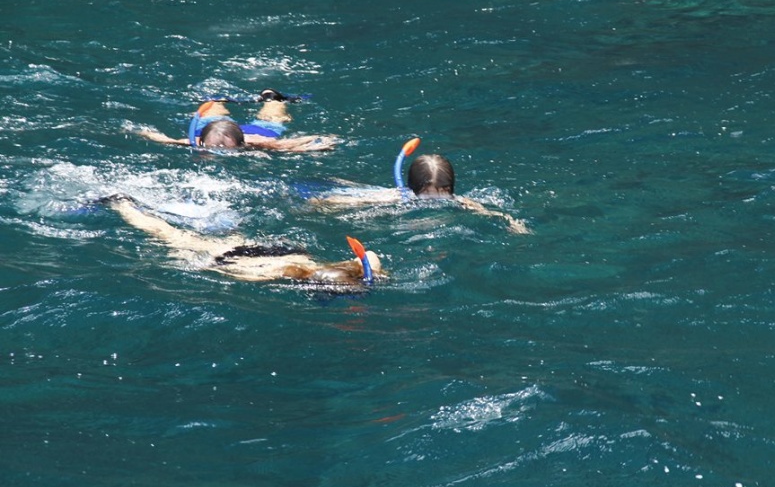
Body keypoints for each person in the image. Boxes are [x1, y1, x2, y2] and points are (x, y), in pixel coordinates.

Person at [103, 195, 382, 285]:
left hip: (275, 251)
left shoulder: (344, 268)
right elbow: (239, 271)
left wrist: (369, 274)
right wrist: (203, 267)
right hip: (241, 258)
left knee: (201, 236)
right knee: (169, 235)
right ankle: (120, 203)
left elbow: (369, 256)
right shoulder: (289, 275)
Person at [308, 140, 530, 234]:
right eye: (428, 196)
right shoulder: (398, 197)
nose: (435, 201)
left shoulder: (456, 201)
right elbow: (346, 201)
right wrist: (321, 205)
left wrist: (511, 222)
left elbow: (485, 210)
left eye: (442, 195)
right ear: (413, 190)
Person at [138, 89, 338, 152]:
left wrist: (313, 143)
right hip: (213, 127)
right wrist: (147, 134)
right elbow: (168, 140)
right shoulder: (196, 142)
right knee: (211, 107)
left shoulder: (256, 142)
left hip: (259, 131)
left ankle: (273, 99)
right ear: (200, 142)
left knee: (272, 117)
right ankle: (217, 100)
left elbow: (284, 145)